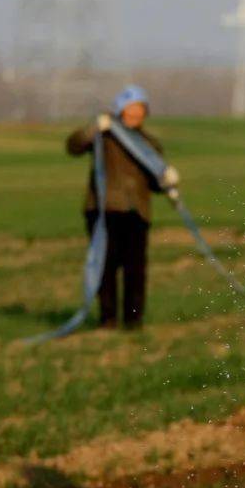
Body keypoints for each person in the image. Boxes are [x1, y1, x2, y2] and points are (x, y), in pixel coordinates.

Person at [65, 85, 178, 329]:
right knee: (106, 266)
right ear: (120, 110)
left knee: (135, 268)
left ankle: (134, 320)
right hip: (104, 211)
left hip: (137, 212)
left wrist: (167, 180)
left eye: (140, 110)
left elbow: (154, 181)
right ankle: (108, 319)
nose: (135, 114)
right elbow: (73, 146)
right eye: (131, 109)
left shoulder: (149, 144)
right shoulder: (105, 134)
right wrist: (95, 128)